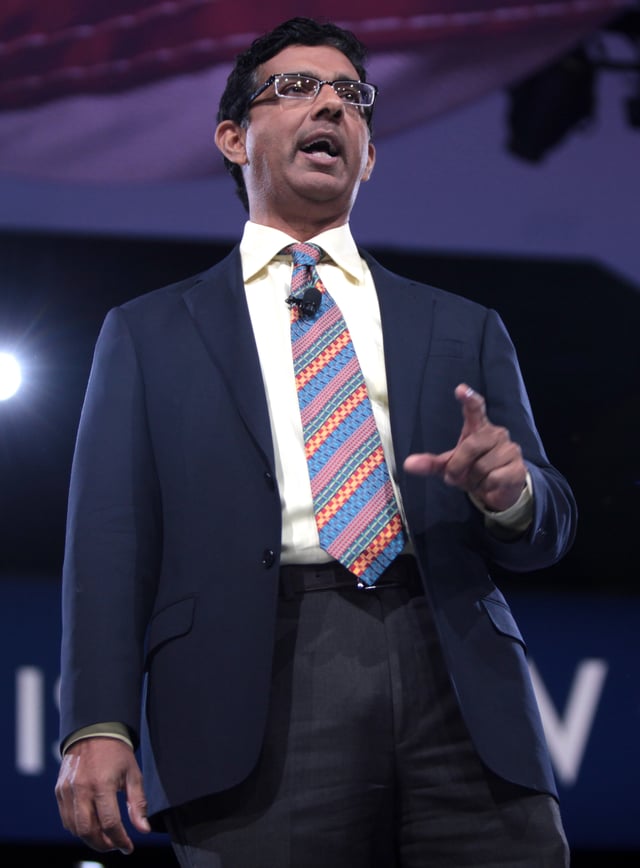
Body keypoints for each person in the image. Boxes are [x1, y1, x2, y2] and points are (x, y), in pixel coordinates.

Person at [55, 17, 577, 868]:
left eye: (352, 97)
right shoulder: (148, 333)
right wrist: (98, 722)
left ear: (369, 154)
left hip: (454, 668)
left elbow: (548, 520)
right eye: (296, 88)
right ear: (233, 138)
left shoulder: (462, 325)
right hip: (253, 685)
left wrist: (509, 493)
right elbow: (107, 547)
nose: (331, 104)